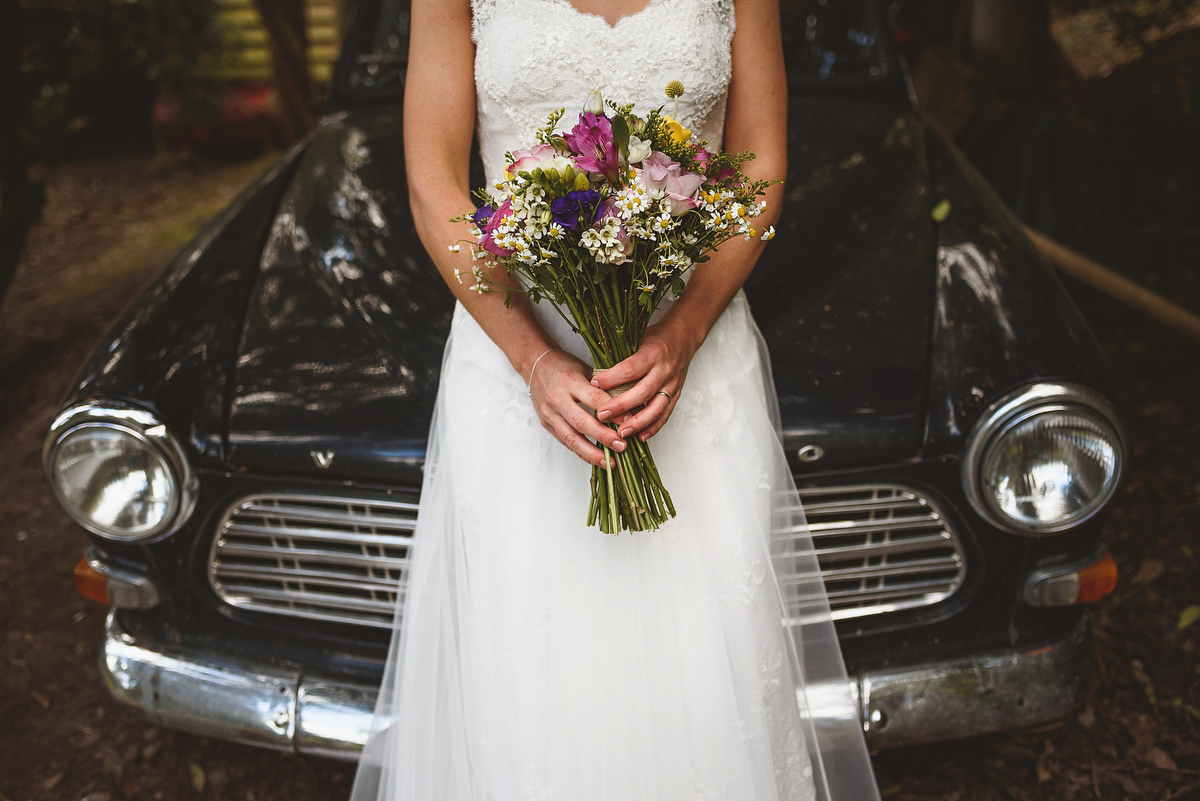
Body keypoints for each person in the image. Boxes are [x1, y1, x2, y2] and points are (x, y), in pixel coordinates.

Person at [349, 1, 881, 799]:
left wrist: (685, 329)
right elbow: (433, 180)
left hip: (693, 367)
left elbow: (760, 164)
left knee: (709, 670)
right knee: (536, 682)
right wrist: (532, 359)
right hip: (515, 369)